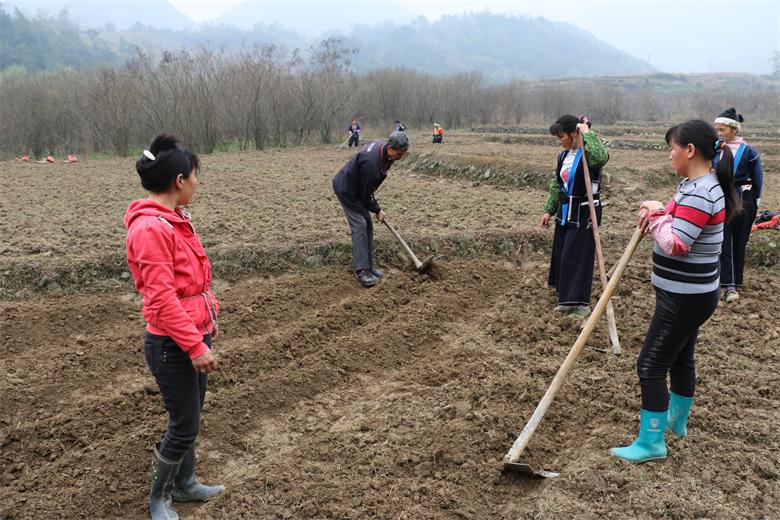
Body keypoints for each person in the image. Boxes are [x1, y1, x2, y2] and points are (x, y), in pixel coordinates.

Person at [610, 120, 741, 464]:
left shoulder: (701, 192)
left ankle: (651, 443)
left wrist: (655, 217)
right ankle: (675, 422)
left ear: (690, 150)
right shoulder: (694, 185)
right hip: (690, 294)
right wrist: (656, 210)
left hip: (684, 297)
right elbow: (671, 213)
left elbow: (676, 242)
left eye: (672, 148)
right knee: (681, 358)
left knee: (650, 364)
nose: (669, 155)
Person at [125, 134, 225, 519]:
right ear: (180, 180)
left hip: (189, 334)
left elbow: (191, 286)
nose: (198, 183)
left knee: (190, 416)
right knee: (184, 424)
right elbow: (161, 301)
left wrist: (205, 326)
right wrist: (195, 346)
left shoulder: (174, 220)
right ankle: (159, 498)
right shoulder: (151, 229)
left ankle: (185, 484)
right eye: (196, 175)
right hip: (171, 344)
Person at [541, 115, 609, 317]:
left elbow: (600, 157)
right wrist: (549, 210)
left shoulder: (589, 156)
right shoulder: (563, 157)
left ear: (573, 134)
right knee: (563, 253)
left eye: (561, 135)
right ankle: (566, 298)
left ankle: (580, 304)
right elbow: (557, 184)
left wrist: (588, 134)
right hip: (565, 211)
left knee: (577, 255)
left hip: (584, 211)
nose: (559, 140)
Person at [333, 131, 410, 287]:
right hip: (346, 190)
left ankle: (368, 267)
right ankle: (362, 272)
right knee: (360, 225)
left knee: (367, 224)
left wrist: (375, 209)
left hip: (357, 188)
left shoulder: (385, 153)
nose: (401, 157)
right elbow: (365, 194)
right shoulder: (372, 163)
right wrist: (377, 209)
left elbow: (367, 190)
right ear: (391, 147)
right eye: (400, 153)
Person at [713, 108, 763, 303]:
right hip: (722, 198)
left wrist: (755, 201)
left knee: (739, 241)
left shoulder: (749, 151)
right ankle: (725, 283)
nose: (719, 133)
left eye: (723, 129)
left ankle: (734, 283)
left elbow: (758, 178)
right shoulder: (716, 149)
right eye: (717, 129)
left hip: (743, 200)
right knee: (723, 240)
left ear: (734, 129)